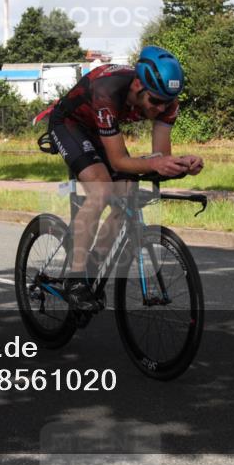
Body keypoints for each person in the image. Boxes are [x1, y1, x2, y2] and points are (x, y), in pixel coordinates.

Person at [35, 46, 204, 311]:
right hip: (69, 124)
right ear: (137, 85)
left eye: (167, 102)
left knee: (128, 193)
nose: (161, 108)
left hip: (102, 129)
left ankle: (93, 266)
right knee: (102, 190)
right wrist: (156, 163)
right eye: (155, 101)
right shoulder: (108, 91)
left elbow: (160, 158)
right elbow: (117, 162)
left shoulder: (166, 102)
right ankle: (76, 280)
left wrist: (182, 165)